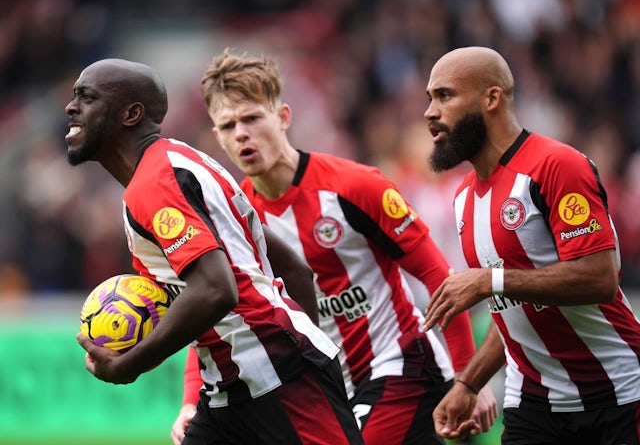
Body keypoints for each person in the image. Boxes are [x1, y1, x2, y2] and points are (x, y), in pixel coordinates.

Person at [170, 50, 498, 445]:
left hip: (400, 367)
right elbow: (217, 319)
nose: (242, 133)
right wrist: (190, 402)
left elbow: (438, 276)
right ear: (218, 138)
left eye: (253, 118)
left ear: (283, 117)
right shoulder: (233, 220)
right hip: (327, 389)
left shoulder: (355, 186)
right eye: (229, 125)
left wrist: (468, 378)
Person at [65, 58, 365, 445]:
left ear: (131, 114)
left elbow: (215, 290)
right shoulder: (182, 163)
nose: (72, 107)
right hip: (233, 384)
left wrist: (130, 364)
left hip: (280, 379)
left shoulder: (156, 182)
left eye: (86, 97)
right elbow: (290, 267)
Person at [422, 46, 640, 444]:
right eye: (430, 98)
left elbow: (600, 277)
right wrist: (468, 384)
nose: (430, 112)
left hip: (617, 396)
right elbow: (511, 311)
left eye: (445, 95)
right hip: (533, 407)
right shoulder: (463, 199)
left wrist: (491, 281)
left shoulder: (556, 165)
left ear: (492, 98)